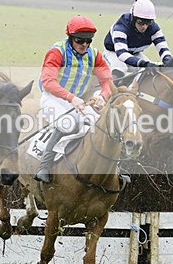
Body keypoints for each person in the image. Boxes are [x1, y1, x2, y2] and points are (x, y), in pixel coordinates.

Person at [35, 15, 114, 183]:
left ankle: (112, 168)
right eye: (80, 41)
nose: (84, 45)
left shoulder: (94, 55)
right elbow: (48, 82)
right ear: (70, 37)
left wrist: (102, 96)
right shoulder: (57, 52)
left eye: (88, 41)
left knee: (99, 124)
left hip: (77, 100)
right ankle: (45, 165)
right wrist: (71, 98)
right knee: (68, 123)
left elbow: (107, 81)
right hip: (53, 98)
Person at [102, 0, 173, 77]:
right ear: (133, 18)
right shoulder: (121, 27)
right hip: (113, 53)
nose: (144, 27)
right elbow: (122, 54)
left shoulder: (153, 28)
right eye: (140, 22)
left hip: (135, 54)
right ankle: (108, 89)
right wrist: (143, 64)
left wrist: (168, 60)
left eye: (148, 22)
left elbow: (163, 47)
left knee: (154, 71)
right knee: (120, 69)